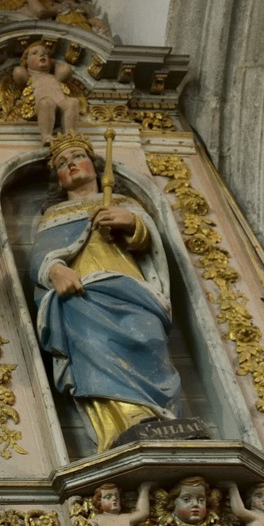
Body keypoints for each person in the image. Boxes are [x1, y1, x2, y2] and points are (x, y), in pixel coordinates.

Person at [30, 134, 180, 452]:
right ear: (58, 178)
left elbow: (150, 246)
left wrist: (132, 223)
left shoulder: (125, 204)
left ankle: (159, 416)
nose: (71, 164)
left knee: (149, 341)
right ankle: (122, 427)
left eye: (77, 157)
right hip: (83, 297)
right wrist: (55, 270)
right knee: (95, 353)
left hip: (133, 292)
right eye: (62, 163)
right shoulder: (53, 216)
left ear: (96, 166)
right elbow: (40, 258)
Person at [12, 38, 80, 144]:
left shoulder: (54, 76)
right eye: (35, 53)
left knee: (72, 102)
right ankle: (46, 136)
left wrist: (52, 63)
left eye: (45, 54)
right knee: (47, 102)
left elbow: (65, 69)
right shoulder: (30, 76)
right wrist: (24, 64)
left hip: (60, 103)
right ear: (27, 60)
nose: (42, 55)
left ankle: (70, 136)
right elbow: (18, 72)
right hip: (41, 106)